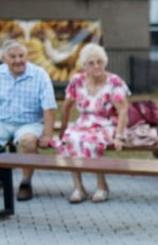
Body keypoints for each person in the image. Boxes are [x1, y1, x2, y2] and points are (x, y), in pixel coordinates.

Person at [0, 40, 57, 201]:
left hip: (30, 122)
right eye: (13, 57)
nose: (18, 60)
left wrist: (47, 135)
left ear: (27, 56)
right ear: (4, 59)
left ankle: (26, 183)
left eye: (21, 56)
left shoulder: (39, 75)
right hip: (1, 122)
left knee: (27, 141)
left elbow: (49, 109)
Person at [56, 43, 130, 203]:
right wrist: (63, 128)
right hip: (83, 123)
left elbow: (123, 110)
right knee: (69, 139)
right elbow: (67, 105)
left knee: (92, 141)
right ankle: (78, 187)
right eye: (91, 63)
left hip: (108, 123)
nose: (96, 66)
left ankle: (102, 186)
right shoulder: (77, 80)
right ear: (84, 66)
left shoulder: (114, 82)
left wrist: (119, 136)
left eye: (99, 62)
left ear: (105, 62)